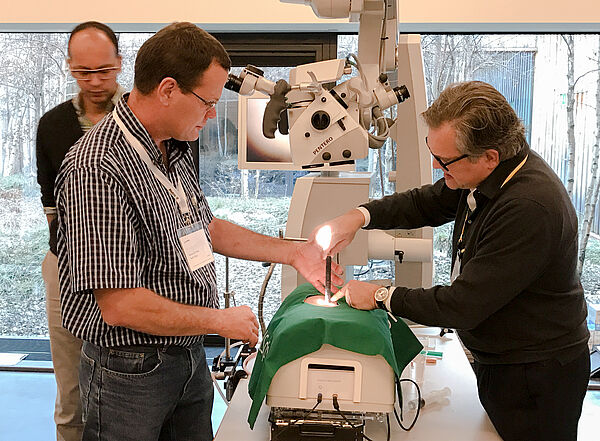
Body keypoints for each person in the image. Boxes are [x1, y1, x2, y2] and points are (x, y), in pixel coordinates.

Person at [54, 22, 341, 441]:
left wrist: (294, 252)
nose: (212, 114)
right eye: (208, 102)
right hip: (130, 368)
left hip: (186, 353)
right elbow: (121, 306)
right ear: (168, 90)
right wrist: (220, 321)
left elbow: (204, 227)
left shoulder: (175, 146)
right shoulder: (97, 168)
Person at [321, 81, 590, 441]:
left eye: (444, 161)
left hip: (536, 375)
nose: (437, 167)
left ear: (489, 156)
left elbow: (463, 304)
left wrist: (382, 296)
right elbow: (426, 202)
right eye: (434, 154)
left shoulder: (528, 207)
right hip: (505, 359)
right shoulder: (487, 173)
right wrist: (358, 216)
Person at [36, 21, 124, 441]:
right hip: (66, 269)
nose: (94, 81)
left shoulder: (142, 122)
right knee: (71, 396)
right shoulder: (51, 126)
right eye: (83, 72)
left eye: (103, 71)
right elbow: (49, 201)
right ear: (70, 67)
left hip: (131, 274)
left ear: (120, 64)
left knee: (130, 392)